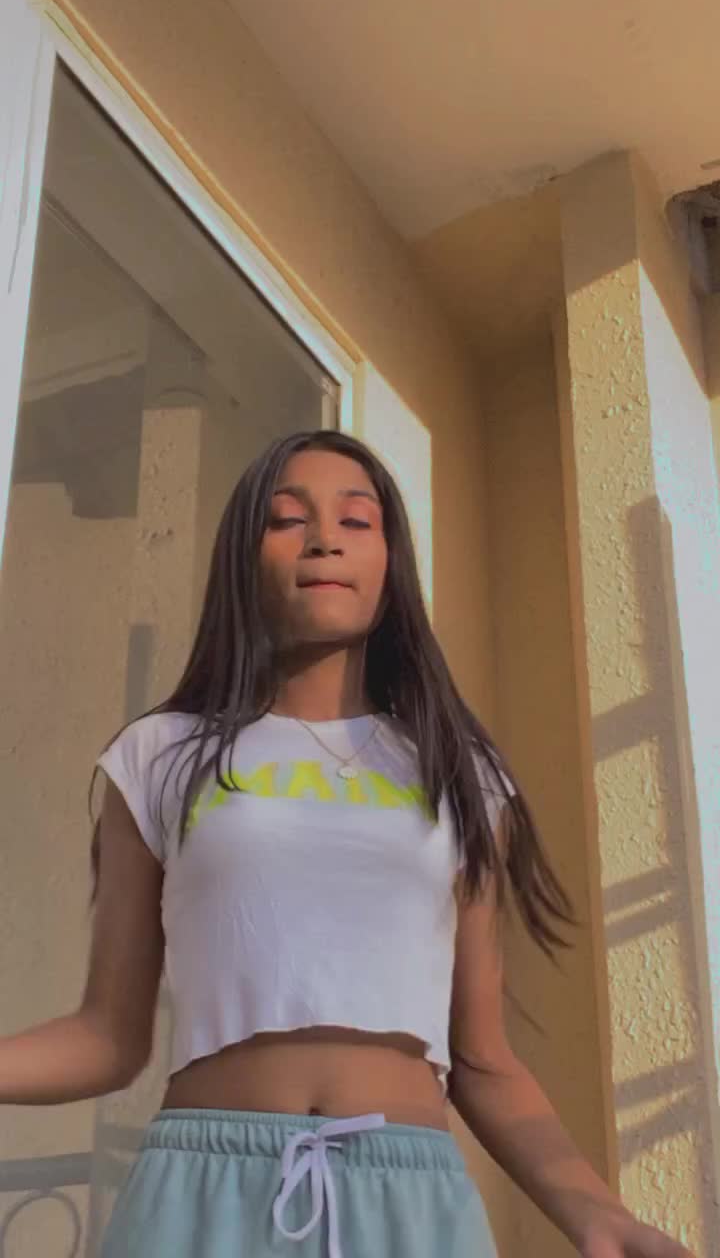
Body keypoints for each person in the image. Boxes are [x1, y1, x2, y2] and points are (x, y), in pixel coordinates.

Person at [1, 429, 692, 1258]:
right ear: (242, 559)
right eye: (287, 519)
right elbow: (109, 1037)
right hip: (201, 1195)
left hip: (409, 1203)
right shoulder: (160, 755)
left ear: (391, 564)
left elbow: (483, 1060)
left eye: (357, 521)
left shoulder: (458, 770)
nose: (324, 538)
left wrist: (596, 1212)